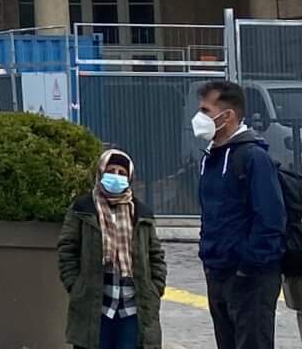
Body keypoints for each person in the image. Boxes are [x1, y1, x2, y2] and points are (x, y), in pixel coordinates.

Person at [192, 78, 282, 349]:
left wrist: (249, 267)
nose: (199, 118)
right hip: (218, 272)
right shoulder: (210, 158)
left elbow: (271, 218)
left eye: (206, 111)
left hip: (249, 279)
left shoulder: (254, 157)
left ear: (227, 115)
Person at [59, 148, 166, 348]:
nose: (116, 176)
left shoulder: (142, 213)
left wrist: (155, 287)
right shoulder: (82, 209)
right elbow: (67, 249)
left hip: (132, 308)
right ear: (100, 173)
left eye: (122, 173)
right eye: (111, 171)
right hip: (94, 306)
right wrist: (75, 285)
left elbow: (155, 254)